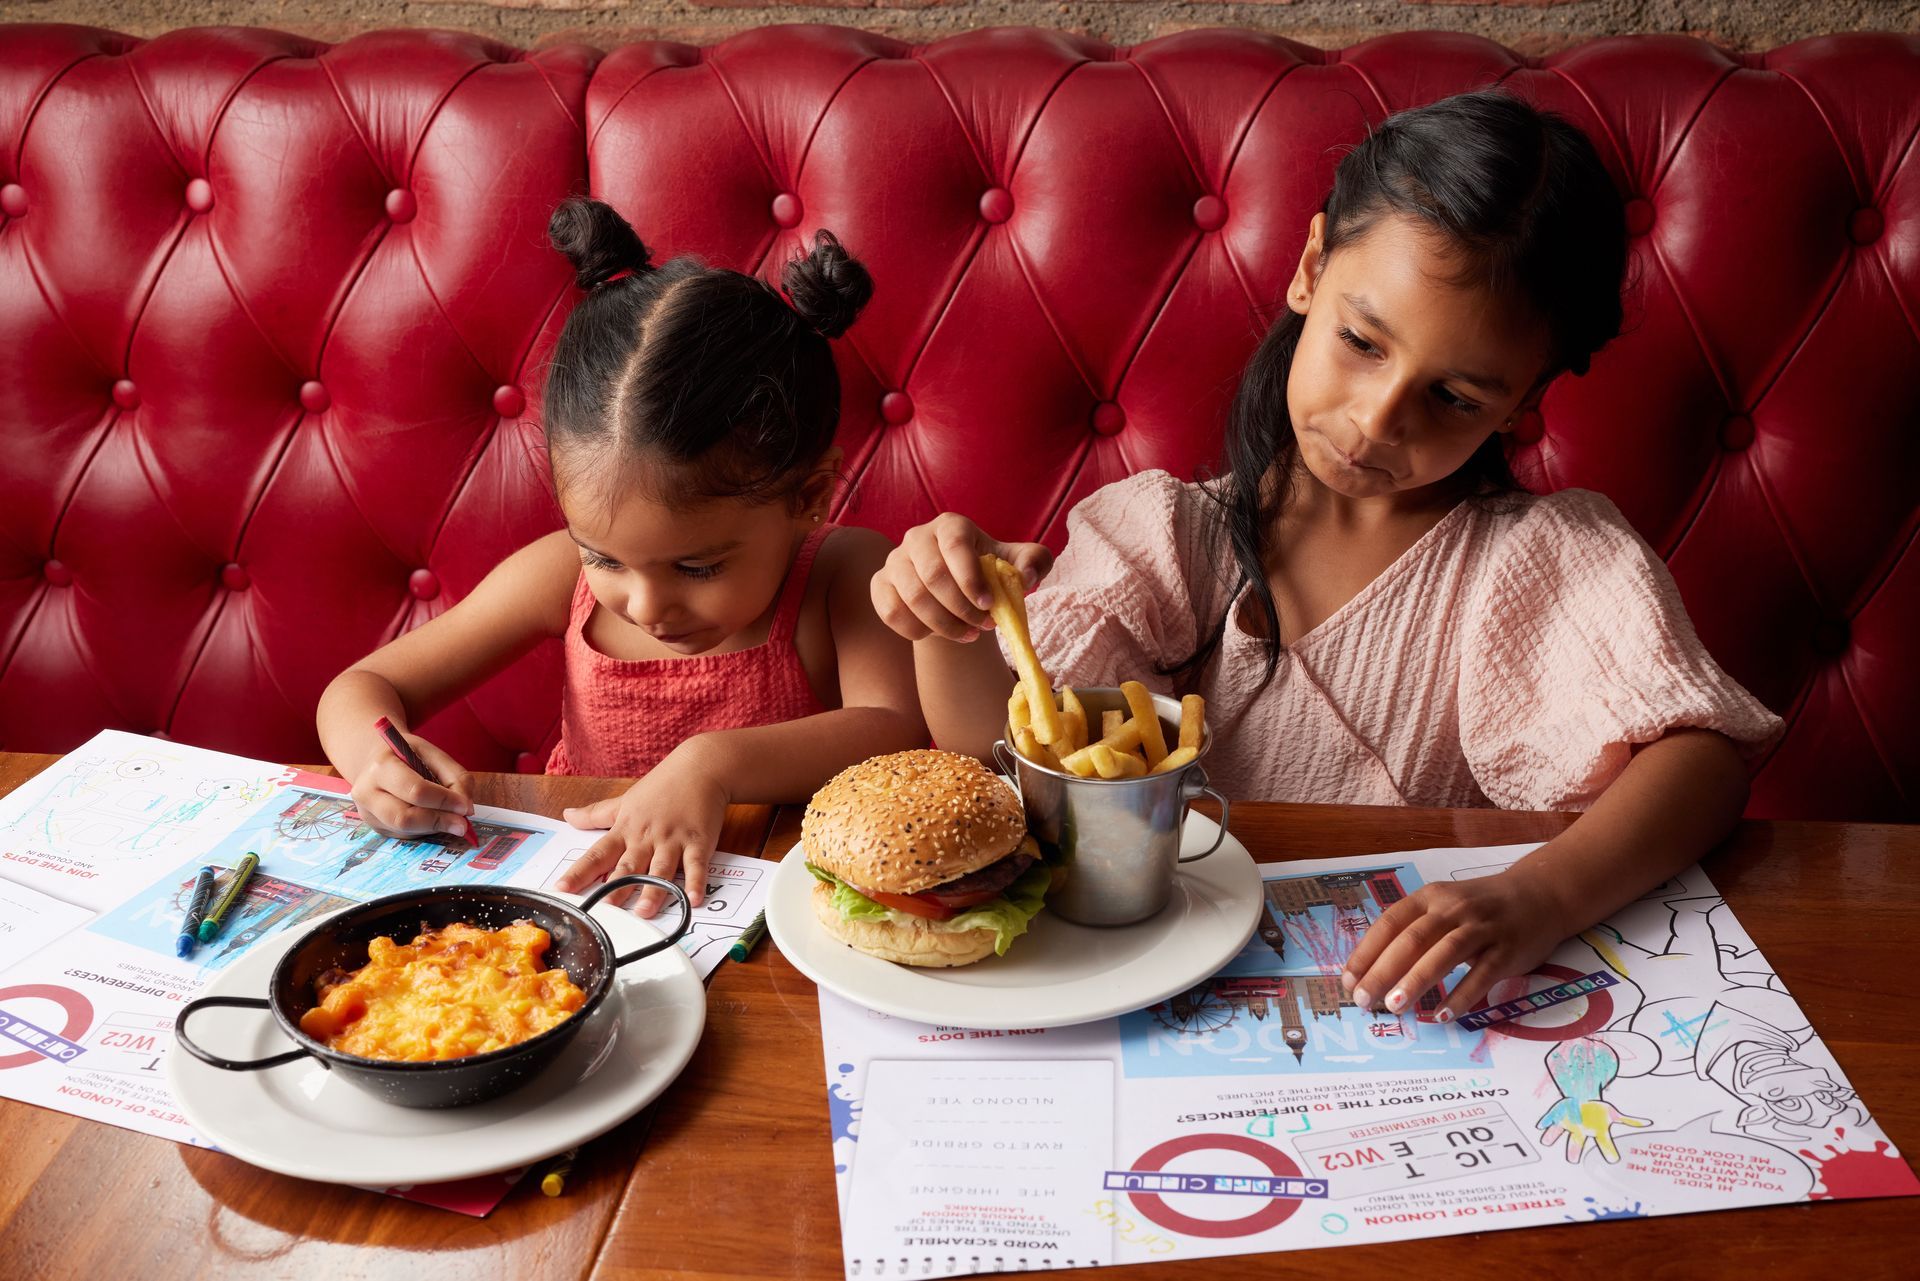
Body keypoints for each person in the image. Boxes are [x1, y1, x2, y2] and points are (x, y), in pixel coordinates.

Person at [870, 91, 1781, 1017]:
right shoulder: (1174, 537)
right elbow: (1010, 762)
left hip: (1405, 1012)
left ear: (1521, 399)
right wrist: (946, 618)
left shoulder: (1536, 562)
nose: (1377, 419)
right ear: (1310, 267)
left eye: (1456, 399)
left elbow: (1702, 765)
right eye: (1360, 341)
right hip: (1159, 991)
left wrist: (1539, 894)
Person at [319, 198, 926, 915]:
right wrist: (374, 758)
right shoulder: (558, 577)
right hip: (595, 905)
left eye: (697, 568)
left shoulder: (843, 576)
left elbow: (895, 731)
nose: (644, 604)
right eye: (603, 557)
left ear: (810, 495)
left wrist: (715, 762)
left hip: (780, 911)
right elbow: (362, 685)